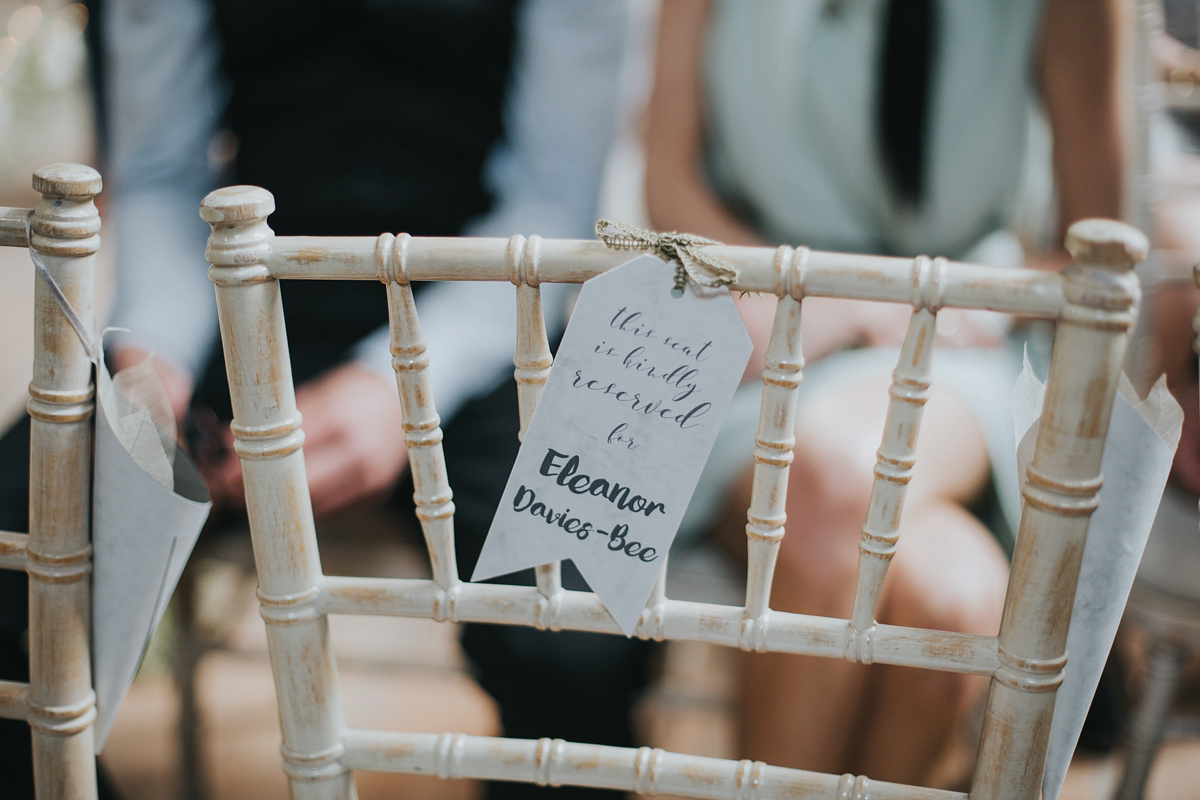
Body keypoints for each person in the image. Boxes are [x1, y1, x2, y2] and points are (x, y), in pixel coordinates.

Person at [2, 2, 639, 799]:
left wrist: (400, 385)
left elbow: (551, 195)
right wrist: (152, 355)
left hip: (491, 318)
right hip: (238, 305)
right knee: (12, 533)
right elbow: (161, 170)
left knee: (573, 632)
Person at [645, 0, 1126, 786]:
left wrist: (923, 304)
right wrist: (807, 294)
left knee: (837, 474)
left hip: (964, 331)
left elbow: (1097, 245)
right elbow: (665, 178)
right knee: (952, 599)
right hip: (764, 315)